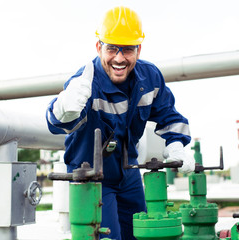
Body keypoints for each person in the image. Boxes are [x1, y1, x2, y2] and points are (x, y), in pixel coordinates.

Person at [46, 6, 194, 240]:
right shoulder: (84, 82)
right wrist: (63, 108)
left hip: (129, 172)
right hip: (91, 176)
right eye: (112, 48)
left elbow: (170, 116)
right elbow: (56, 123)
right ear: (99, 47)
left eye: (127, 50)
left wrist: (178, 145)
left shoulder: (150, 78)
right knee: (106, 236)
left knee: (141, 234)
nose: (119, 58)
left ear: (138, 49)